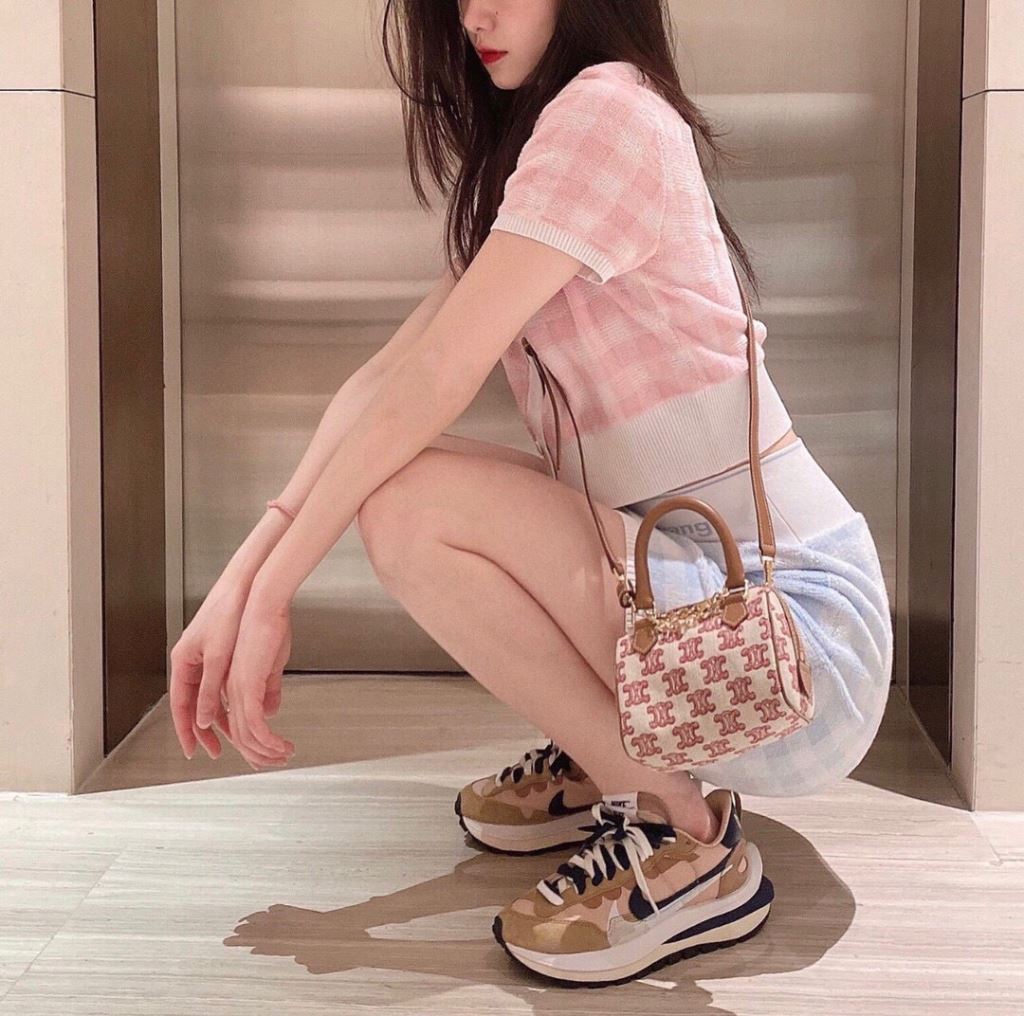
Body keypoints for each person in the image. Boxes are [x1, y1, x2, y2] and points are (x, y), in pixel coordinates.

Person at [169, 0, 894, 988]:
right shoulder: (551, 142)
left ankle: (686, 832)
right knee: (407, 482)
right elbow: (386, 379)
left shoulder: (608, 113)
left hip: (791, 644)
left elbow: (435, 379)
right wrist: (242, 581)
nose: (477, 14)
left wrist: (273, 591)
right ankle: (614, 750)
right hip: (702, 593)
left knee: (412, 507)